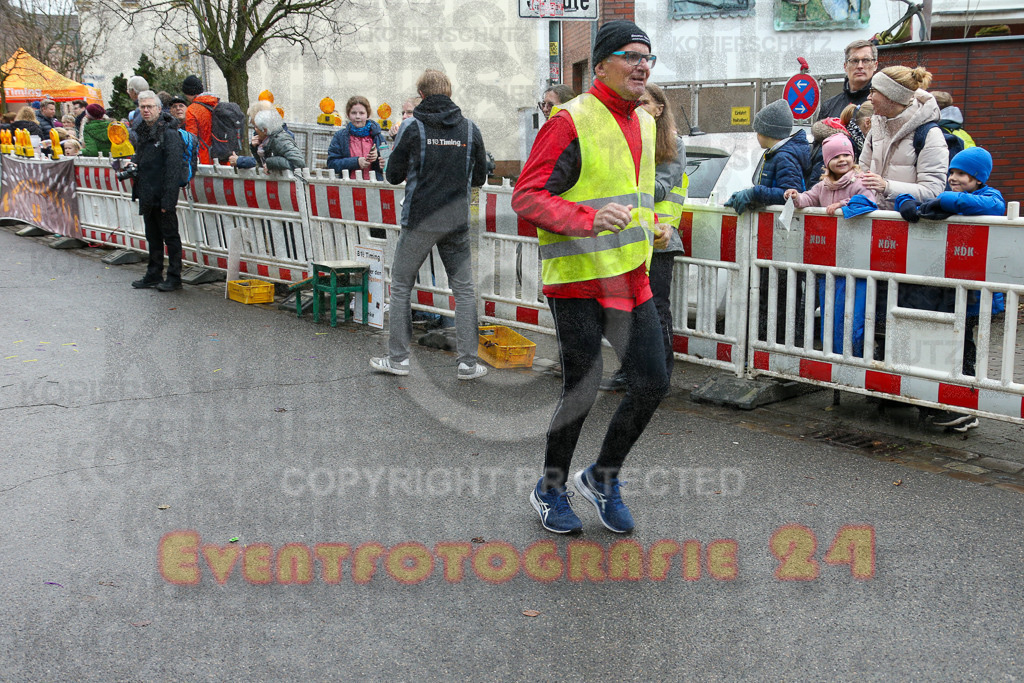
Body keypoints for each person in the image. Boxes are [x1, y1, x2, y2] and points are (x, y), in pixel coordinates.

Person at [512, 20, 668, 535]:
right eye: (630, 56)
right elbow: (527, 196)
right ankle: (550, 488)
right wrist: (587, 219)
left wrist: (656, 223)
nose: (642, 66)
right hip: (577, 279)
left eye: (647, 57)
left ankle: (602, 477)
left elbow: (634, 194)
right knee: (582, 389)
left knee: (652, 382)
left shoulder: (645, 122)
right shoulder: (569, 120)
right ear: (600, 65)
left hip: (631, 278)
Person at [370, 69, 489, 381]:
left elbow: (392, 175)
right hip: (456, 221)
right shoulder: (470, 129)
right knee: (464, 290)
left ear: (421, 95)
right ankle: (468, 363)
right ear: (449, 93)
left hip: (420, 219)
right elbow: (479, 177)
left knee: (401, 286)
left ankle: (398, 359)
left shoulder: (413, 127)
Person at [895, 146, 1005, 434]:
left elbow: (995, 207)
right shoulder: (946, 194)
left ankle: (964, 406)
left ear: (979, 179)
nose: (953, 178)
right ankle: (942, 400)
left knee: (962, 347)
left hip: (972, 294)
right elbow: (914, 200)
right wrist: (906, 203)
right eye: (952, 172)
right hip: (945, 290)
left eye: (962, 174)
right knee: (940, 345)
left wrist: (944, 201)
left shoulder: (989, 196)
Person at [601, 82, 686, 393]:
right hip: (628, 238)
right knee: (624, 309)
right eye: (635, 103)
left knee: (656, 310)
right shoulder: (625, 140)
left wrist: (627, 176)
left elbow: (660, 189)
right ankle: (631, 371)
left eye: (645, 103)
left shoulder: (672, 144)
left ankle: (660, 376)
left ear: (659, 109)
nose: (638, 109)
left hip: (659, 240)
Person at [725, 99, 810, 345]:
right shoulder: (778, 154)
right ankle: (769, 342)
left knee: (779, 295)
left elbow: (789, 193)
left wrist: (755, 194)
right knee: (773, 293)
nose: (756, 135)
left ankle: (778, 343)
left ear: (767, 132)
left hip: (783, 238)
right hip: (775, 238)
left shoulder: (783, 157)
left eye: (758, 130)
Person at [785, 135, 875, 357]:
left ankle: (852, 356)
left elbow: (870, 202)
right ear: (826, 162)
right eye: (836, 157)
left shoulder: (860, 182)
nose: (842, 160)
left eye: (846, 155)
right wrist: (795, 197)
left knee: (852, 315)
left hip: (856, 260)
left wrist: (843, 205)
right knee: (830, 312)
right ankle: (831, 356)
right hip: (829, 260)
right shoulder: (822, 186)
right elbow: (808, 199)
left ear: (853, 157)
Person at [858, 66, 947, 210]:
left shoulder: (930, 134)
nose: (869, 98)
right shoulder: (876, 128)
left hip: (908, 222)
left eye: (873, 91)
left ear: (891, 97)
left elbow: (932, 192)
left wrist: (887, 187)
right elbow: (861, 174)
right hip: (873, 220)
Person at [129, 90, 185, 292]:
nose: (146, 110)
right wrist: (133, 164)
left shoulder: (169, 133)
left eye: (150, 107)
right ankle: (153, 273)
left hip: (162, 193)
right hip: (147, 191)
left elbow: (173, 168)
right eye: (143, 107)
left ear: (159, 109)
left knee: (170, 236)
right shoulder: (143, 131)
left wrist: (168, 200)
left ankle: (174, 276)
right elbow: (141, 158)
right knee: (152, 236)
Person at [326, 96, 387, 180]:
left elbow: (388, 165)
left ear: (368, 115)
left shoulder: (378, 137)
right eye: (354, 113)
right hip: (348, 185)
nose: (357, 116)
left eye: (361, 113)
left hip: (373, 186)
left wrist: (377, 157)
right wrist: (356, 162)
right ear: (348, 115)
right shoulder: (340, 136)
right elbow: (332, 164)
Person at [817, 39, 877, 121]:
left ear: (875, 65)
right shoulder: (829, 107)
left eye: (866, 60)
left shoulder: (881, 106)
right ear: (845, 66)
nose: (860, 66)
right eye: (854, 61)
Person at [182, 75, 220, 165]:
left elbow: (191, 139)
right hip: (224, 156)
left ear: (188, 93)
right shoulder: (216, 103)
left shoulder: (192, 110)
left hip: (205, 158)